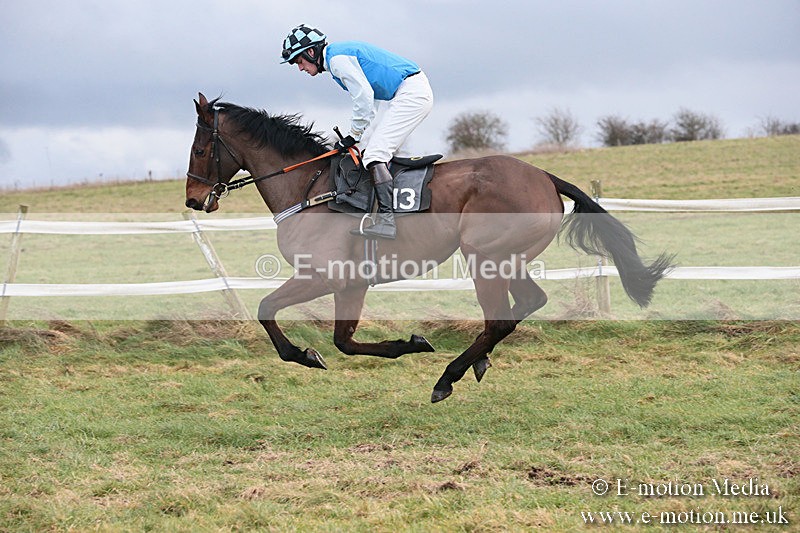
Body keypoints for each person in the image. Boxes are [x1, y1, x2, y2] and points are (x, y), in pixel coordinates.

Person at [281, 24, 434, 240]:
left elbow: (364, 98)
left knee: (375, 155)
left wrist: (353, 135)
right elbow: (371, 101)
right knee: (368, 153)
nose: (300, 68)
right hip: (407, 92)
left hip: (411, 94)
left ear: (311, 52)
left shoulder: (337, 60)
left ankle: (387, 222)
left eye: (299, 61)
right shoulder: (336, 58)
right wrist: (357, 140)